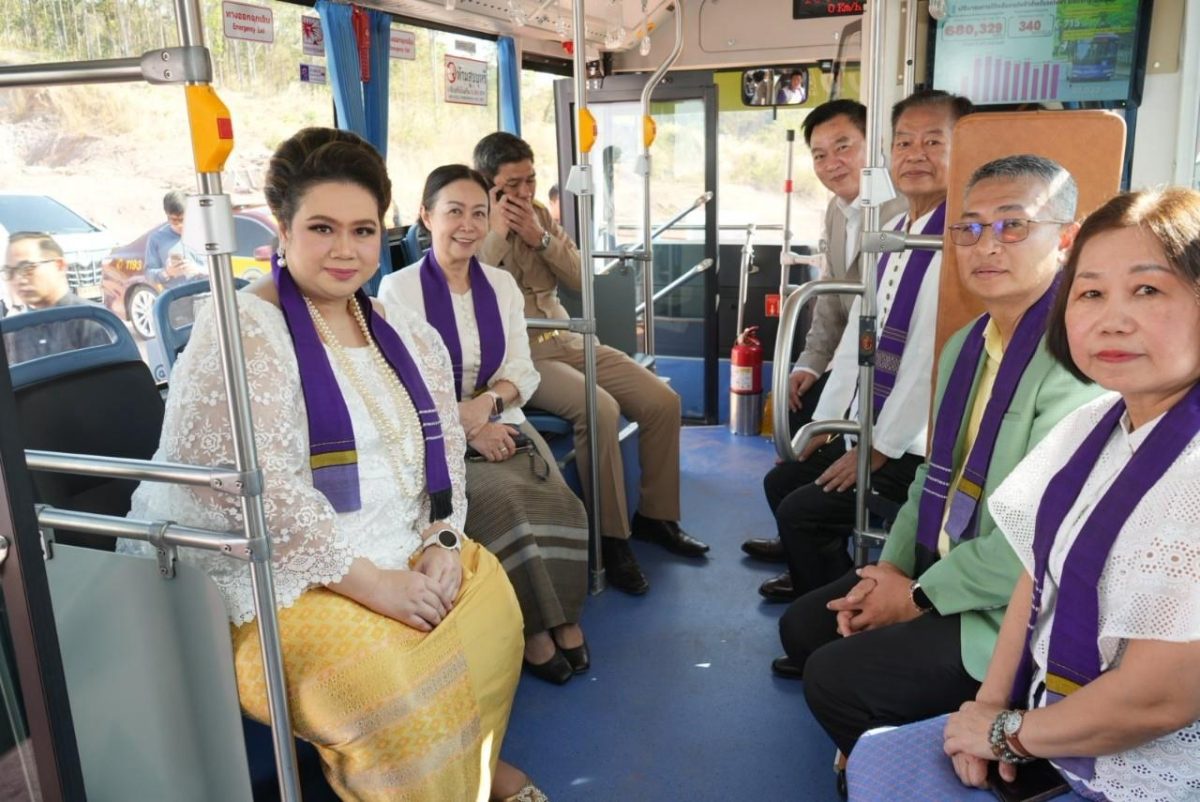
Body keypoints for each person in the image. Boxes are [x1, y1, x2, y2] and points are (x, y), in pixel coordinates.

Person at [120, 128, 543, 801]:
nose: (346, 250)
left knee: (491, 606)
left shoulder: (401, 329)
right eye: (322, 228)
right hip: (271, 567)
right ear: (282, 231)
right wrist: (372, 584)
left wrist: (440, 538)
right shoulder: (243, 329)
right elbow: (246, 491)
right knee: (386, 680)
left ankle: (476, 774)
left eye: (363, 230)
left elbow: (440, 452)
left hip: (400, 537)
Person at [848, 187, 1200, 802]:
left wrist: (1008, 734)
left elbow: (1159, 699)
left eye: (1148, 290)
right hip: (1049, 708)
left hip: (1148, 765)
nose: (1112, 318)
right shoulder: (1094, 428)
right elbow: (1035, 574)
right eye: (1091, 293)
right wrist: (984, 711)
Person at [778, 155, 1108, 773]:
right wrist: (891, 571)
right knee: (804, 628)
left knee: (830, 678)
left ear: (1065, 238)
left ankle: (958, 745)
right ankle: (911, 722)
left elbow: (1027, 547)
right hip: (945, 562)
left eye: (1012, 226)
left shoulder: (1076, 364)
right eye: (970, 227)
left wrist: (917, 598)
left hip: (1012, 606)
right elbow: (931, 482)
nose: (987, 245)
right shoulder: (968, 345)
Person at [754, 89, 973, 604]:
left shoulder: (958, 238)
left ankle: (832, 610)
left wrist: (876, 447)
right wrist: (826, 425)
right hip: (873, 413)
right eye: (904, 142)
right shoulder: (894, 230)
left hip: (917, 440)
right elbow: (858, 335)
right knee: (782, 482)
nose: (915, 154)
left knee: (801, 508)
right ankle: (822, 582)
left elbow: (931, 360)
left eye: (933, 141)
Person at [379, 164, 590, 686]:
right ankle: (530, 630)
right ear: (427, 217)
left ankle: (561, 614)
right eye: (454, 212)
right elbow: (404, 383)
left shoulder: (500, 285)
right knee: (501, 502)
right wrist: (466, 427)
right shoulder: (398, 290)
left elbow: (521, 368)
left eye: (479, 213)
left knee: (557, 498)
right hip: (432, 429)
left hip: (502, 413)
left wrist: (488, 408)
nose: (468, 225)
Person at [473, 131, 709, 596]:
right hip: (521, 355)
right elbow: (468, 283)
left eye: (531, 181)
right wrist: (500, 234)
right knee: (597, 408)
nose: (524, 193)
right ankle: (612, 538)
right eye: (512, 185)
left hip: (569, 336)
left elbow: (582, 278)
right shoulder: (472, 222)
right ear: (487, 184)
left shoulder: (539, 217)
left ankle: (657, 517)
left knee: (662, 399)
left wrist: (540, 239)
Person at [742, 99, 908, 568]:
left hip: (883, 371)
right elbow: (830, 308)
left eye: (843, 147)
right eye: (819, 154)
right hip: (850, 366)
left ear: (871, 146)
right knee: (796, 409)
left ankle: (809, 535)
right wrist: (808, 365)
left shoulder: (900, 214)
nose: (831, 163)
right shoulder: (837, 214)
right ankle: (803, 545)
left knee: (812, 429)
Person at [2, 231, 109, 364]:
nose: (18, 279)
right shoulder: (14, 331)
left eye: (27, 268)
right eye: (9, 272)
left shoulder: (92, 320)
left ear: (59, 266)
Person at [144, 190, 202, 288]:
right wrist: (167, 272)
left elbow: (222, 266)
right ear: (167, 216)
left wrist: (199, 270)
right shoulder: (156, 239)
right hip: (177, 299)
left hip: (206, 296)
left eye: (184, 220)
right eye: (174, 220)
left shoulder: (205, 234)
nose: (180, 225)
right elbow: (149, 274)